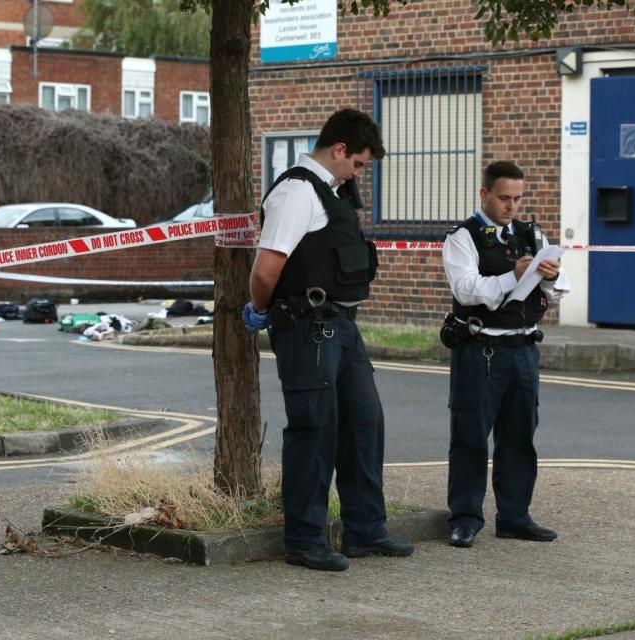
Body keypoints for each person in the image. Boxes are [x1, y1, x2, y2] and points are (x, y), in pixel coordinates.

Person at [242, 108, 413, 572]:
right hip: (308, 326)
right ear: (338, 150)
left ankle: (365, 530)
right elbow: (266, 269)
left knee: (364, 425)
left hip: (341, 326)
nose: (359, 174)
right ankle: (304, 540)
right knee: (314, 432)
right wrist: (260, 310)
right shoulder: (298, 192)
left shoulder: (331, 193)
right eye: (357, 164)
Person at [441, 160, 570, 548]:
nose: (512, 206)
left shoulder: (533, 234)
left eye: (517, 198)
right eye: (504, 198)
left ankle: (514, 516)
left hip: (523, 347)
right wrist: (513, 275)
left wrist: (551, 277)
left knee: (519, 437)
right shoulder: (463, 237)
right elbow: (466, 289)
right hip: (481, 347)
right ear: (484, 194)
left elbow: (559, 291)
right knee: (470, 437)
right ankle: (464, 519)